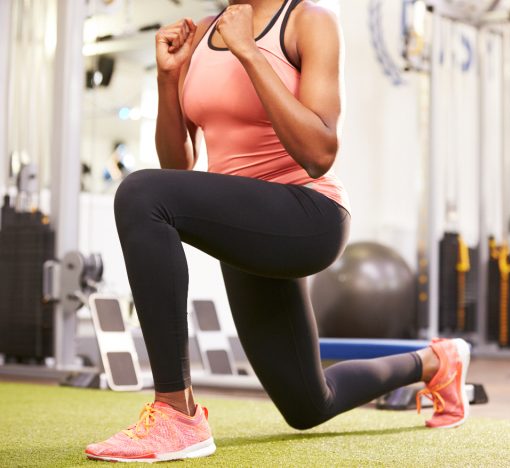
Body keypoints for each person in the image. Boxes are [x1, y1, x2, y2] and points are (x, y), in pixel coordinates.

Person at [84, 0, 471, 463]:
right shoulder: (205, 32)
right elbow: (179, 168)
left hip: (308, 216)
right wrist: (169, 79)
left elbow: (319, 152)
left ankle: (176, 413)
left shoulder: (309, 22)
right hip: (246, 226)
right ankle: (436, 361)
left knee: (138, 192)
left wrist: (250, 51)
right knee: (308, 404)